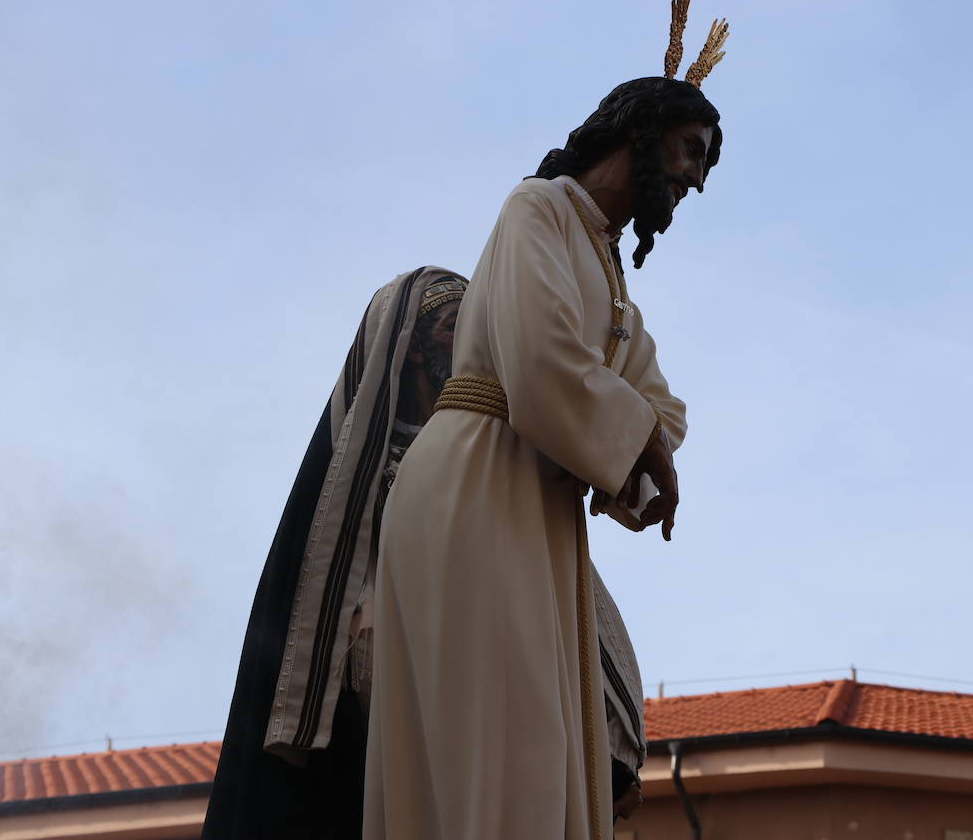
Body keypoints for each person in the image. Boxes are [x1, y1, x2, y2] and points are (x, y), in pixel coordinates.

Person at [363, 0, 726, 839]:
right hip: (476, 477)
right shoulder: (536, 210)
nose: (695, 181)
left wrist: (644, 447)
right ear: (635, 135)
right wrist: (637, 441)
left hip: (539, 504)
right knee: (495, 733)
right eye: (687, 151)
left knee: (544, 743)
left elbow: (660, 409)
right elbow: (539, 365)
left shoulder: (612, 286)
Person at [203, 269, 650, 838]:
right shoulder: (367, 490)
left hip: (505, 712)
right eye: (451, 326)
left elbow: (564, 590)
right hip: (399, 720)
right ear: (410, 348)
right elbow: (342, 628)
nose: (469, 341)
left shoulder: (499, 466)